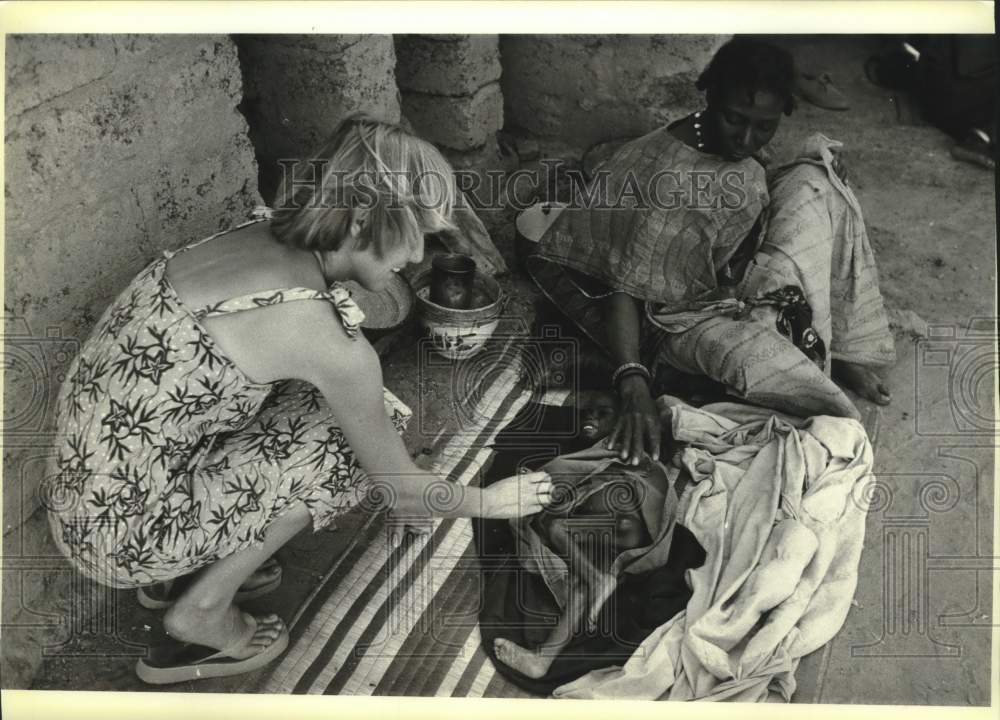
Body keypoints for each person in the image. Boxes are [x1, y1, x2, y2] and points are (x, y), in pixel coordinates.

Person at [44, 115, 552, 684]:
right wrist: (490, 502)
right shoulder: (321, 334)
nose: (419, 257)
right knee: (351, 441)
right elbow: (398, 486)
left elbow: (374, 304)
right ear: (363, 217)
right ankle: (202, 611)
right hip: (124, 539)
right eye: (419, 235)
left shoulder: (260, 232)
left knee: (323, 408)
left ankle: (175, 575)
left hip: (90, 499)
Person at [522, 37, 896, 466]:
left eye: (765, 126)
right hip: (672, 320)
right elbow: (620, 286)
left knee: (819, 181)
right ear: (710, 98)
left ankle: (835, 350)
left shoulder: (735, 146)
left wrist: (815, 164)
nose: (747, 138)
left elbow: (752, 188)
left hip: (733, 278)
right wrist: (631, 378)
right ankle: (824, 396)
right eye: (735, 120)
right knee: (763, 363)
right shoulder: (659, 174)